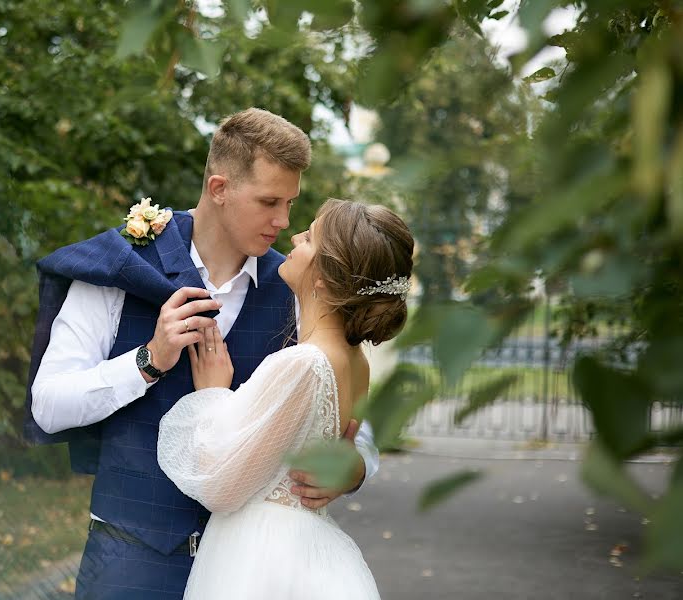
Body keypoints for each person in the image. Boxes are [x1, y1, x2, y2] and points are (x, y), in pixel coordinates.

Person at [25, 108, 381, 599]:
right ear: (218, 189)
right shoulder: (120, 268)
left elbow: (341, 417)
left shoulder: (299, 292)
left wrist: (353, 467)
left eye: (291, 203)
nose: (283, 221)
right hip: (128, 564)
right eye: (269, 202)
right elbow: (47, 407)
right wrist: (148, 360)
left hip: (247, 573)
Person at [157, 198, 414, 598]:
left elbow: (221, 486)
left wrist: (212, 395)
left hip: (260, 558)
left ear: (324, 277)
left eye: (309, 237)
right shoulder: (356, 361)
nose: (294, 236)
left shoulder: (303, 364)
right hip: (306, 547)